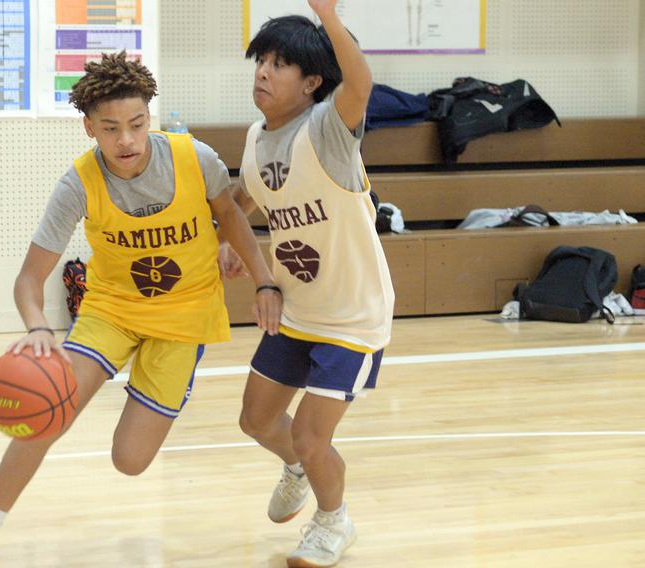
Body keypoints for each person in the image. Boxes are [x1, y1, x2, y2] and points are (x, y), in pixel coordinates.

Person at [0, 51, 281, 567]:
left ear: (149, 117)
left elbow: (232, 218)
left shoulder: (196, 158)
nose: (125, 140)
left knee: (129, 461)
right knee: (45, 414)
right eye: (110, 128)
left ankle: (292, 464)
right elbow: (29, 279)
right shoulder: (78, 182)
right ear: (88, 128)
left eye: (136, 124)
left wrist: (263, 281)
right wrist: (38, 327)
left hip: (184, 316)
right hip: (112, 310)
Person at [223, 2, 394, 566]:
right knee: (256, 420)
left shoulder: (328, 127)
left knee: (312, 436)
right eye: (261, 61)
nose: (263, 72)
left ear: (312, 82)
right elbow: (247, 197)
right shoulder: (255, 137)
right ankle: (297, 467)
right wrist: (231, 239)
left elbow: (362, 81)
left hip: (352, 316)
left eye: (279, 64)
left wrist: (326, 14)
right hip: (296, 309)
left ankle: (333, 522)